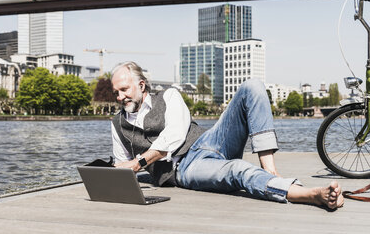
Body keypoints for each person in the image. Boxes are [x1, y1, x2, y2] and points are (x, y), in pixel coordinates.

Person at [111, 61, 344, 210]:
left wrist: (138, 162)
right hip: (185, 169)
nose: (120, 97)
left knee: (252, 86)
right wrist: (120, 170)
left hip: (208, 141)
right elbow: (120, 164)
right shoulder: (117, 124)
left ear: (141, 85)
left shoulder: (169, 96)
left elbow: (173, 136)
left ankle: (270, 170)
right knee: (237, 170)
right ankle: (309, 194)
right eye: (116, 93)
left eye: (124, 90)